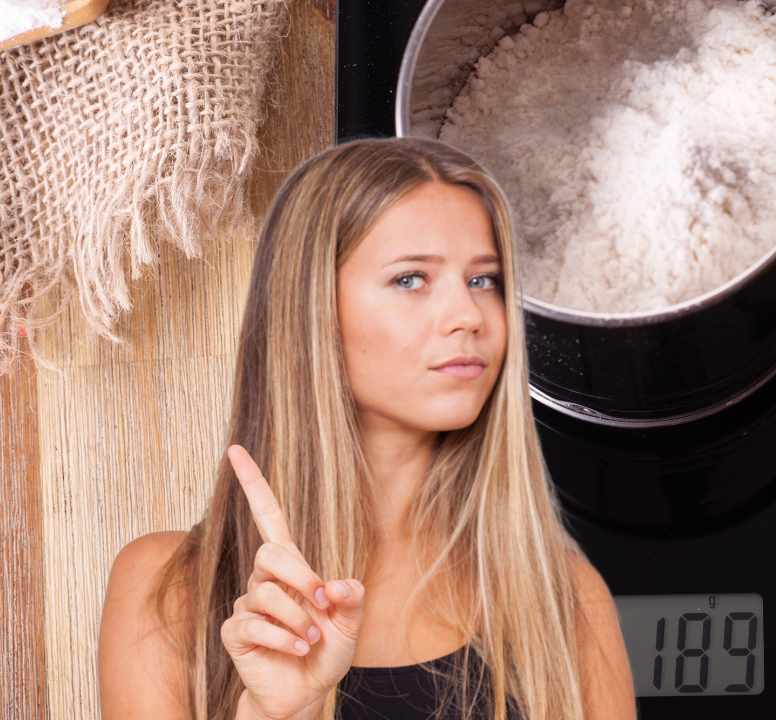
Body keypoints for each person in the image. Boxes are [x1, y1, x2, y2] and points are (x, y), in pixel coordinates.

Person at [97, 136, 637, 720]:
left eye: (484, 281)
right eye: (411, 279)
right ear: (312, 307)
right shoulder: (171, 590)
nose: (468, 316)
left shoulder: (565, 600)